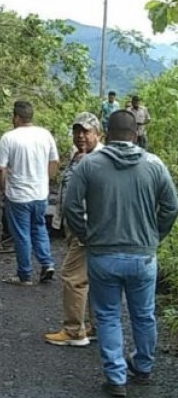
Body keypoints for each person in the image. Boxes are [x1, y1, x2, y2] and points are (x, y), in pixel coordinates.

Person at [64, 110, 178, 397]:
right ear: (136, 133)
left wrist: (86, 235)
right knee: (144, 315)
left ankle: (116, 376)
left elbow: (70, 207)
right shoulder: (154, 164)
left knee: (109, 316)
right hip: (142, 255)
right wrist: (155, 237)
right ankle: (143, 366)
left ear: (106, 132)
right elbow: (171, 207)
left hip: (103, 255)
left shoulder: (88, 165)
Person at [45, 112, 103, 347]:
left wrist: (84, 228)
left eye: (86, 131)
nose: (80, 136)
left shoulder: (99, 159)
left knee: (72, 277)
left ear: (97, 134)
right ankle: (94, 326)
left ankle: (73, 331)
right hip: (76, 226)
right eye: (77, 131)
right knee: (92, 277)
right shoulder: (78, 154)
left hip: (86, 229)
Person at [0, 100, 59, 286]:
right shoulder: (45, 135)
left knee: (22, 234)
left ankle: (25, 275)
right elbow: (54, 161)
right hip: (40, 194)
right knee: (38, 228)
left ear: (16, 117)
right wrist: (45, 180)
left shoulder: (9, 138)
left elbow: (1, 168)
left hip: (18, 195)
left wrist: (3, 187)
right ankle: (47, 263)